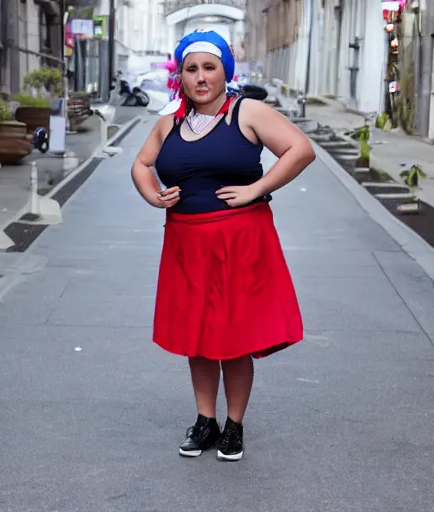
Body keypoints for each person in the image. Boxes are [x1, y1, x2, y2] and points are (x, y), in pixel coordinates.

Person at [131, 30, 315, 462]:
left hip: (239, 240)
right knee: (196, 337)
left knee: (233, 336)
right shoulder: (170, 120)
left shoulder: (247, 112)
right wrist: (153, 194)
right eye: (191, 69)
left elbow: (300, 150)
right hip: (185, 242)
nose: (200, 78)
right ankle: (204, 421)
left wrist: (258, 189)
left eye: (209, 68)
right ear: (181, 75)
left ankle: (234, 426)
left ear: (224, 72)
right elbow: (140, 165)